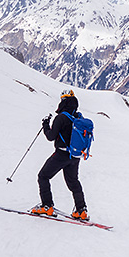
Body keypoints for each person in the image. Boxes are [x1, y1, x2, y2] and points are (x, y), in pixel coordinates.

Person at [31, 89, 89, 221]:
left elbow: (51, 137)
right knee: (73, 181)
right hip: (75, 156)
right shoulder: (78, 117)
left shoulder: (61, 117)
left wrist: (45, 125)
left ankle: (47, 206)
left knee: (43, 176)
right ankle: (81, 211)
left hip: (61, 154)